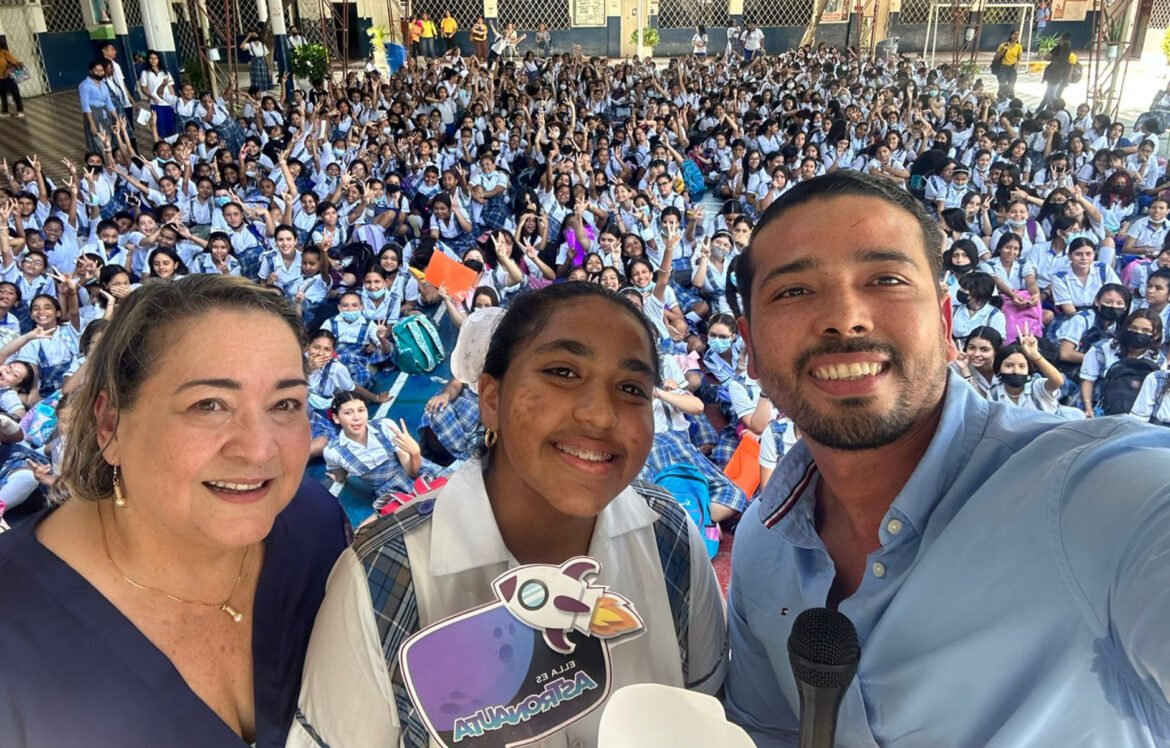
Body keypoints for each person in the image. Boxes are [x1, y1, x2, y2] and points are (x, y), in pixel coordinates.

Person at [723, 172, 1170, 744]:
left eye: (885, 279)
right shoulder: (765, 541)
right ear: (751, 348)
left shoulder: (1095, 494)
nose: (846, 317)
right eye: (793, 291)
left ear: (944, 322)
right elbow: (767, 734)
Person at [289, 282, 726, 746]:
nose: (600, 415)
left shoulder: (668, 535)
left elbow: (704, 710)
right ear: (491, 399)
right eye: (562, 371)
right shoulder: (383, 575)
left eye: (631, 387)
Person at [0, 275, 349, 746]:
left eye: (285, 403)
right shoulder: (14, 634)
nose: (259, 449)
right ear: (110, 424)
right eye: (208, 405)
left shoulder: (315, 529)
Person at [79, 58, 118, 155]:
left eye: (101, 70)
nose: (99, 73)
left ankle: (110, 160)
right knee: (99, 141)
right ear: (91, 71)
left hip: (105, 114)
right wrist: (92, 124)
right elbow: (85, 106)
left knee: (109, 138)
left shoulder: (104, 85)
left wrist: (117, 118)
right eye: (97, 70)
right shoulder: (84, 85)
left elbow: (109, 103)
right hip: (94, 114)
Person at [137, 50, 176, 138]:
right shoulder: (145, 73)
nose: (153, 60)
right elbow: (144, 88)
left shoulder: (165, 72)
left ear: (158, 60)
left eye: (155, 58)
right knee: (160, 125)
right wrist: (152, 97)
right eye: (151, 58)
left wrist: (173, 100)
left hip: (167, 102)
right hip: (156, 103)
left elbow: (170, 87)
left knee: (170, 125)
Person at [992, 29, 1021, 100]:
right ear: (1010, 35)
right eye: (1014, 34)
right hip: (1003, 68)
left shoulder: (1019, 47)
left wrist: (1017, 64)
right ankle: (1001, 99)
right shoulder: (1003, 45)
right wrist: (1004, 50)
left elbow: (1019, 59)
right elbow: (996, 57)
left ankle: (1011, 100)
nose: (1016, 36)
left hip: (1012, 69)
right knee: (1002, 86)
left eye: (1017, 35)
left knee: (1011, 86)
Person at [0, 38, 25, 118]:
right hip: (0, 78)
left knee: (15, 93)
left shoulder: (5, 53)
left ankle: (20, 111)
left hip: (9, 77)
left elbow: (16, 63)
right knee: (3, 95)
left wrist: (8, 69)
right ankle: (5, 112)